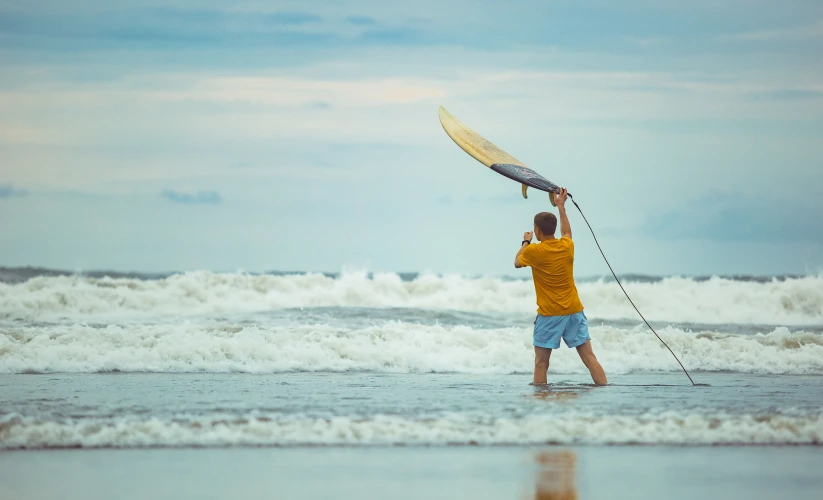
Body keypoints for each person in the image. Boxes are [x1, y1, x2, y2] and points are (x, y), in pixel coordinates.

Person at [514, 188, 607, 386]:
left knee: (541, 363)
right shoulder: (567, 245)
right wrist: (561, 206)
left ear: (537, 230)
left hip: (550, 314)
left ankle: (541, 398)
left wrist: (525, 241)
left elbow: (516, 261)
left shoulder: (534, 251)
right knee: (590, 358)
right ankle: (604, 391)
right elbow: (567, 232)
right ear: (553, 229)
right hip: (574, 310)